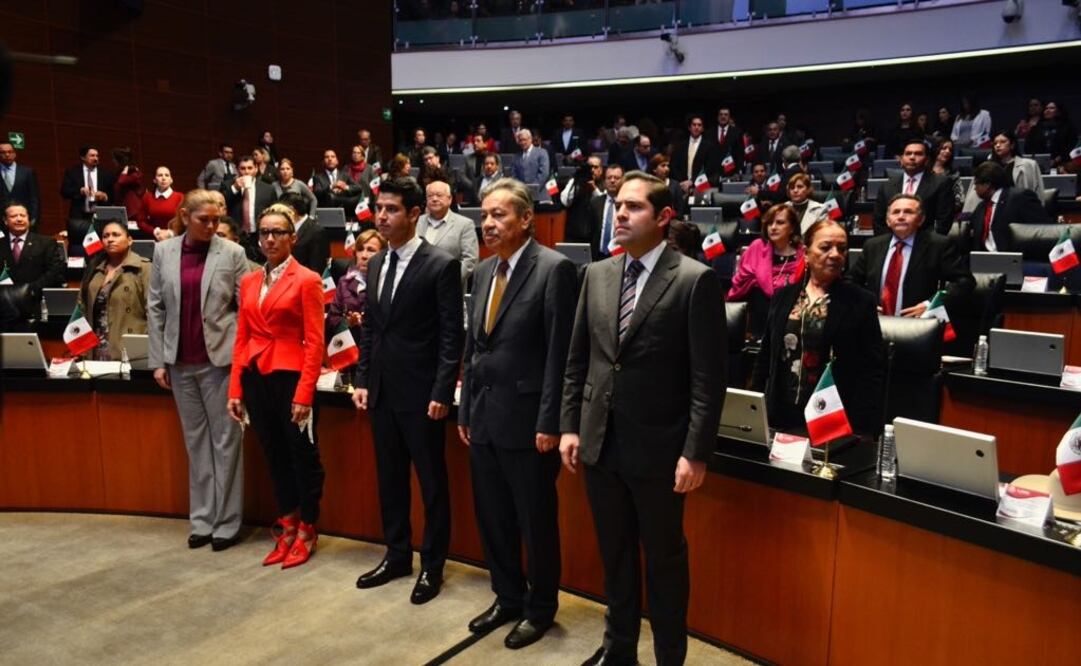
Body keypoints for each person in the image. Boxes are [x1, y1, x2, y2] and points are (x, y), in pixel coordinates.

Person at [559, 170, 726, 666]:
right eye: (619, 205)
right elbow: (578, 359)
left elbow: (707, 379)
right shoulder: (597, 274)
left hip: (659, 451)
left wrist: (695, 453)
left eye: (634, 207)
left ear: (664, 216)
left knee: (664, 563)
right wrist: (570, 424)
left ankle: (669, 657)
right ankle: (619, 649)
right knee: (615, 557)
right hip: (601, 442)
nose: (622, 214)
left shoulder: (694, 279)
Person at [458, 178, 577, 649]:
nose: (487, 223)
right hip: (484, 416)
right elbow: (475, 346)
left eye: (498, 214)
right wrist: (465, 408)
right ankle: (506, 596)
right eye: (484, 215)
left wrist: (552, 421)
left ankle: (540, 607)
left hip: (529, 422)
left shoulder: (554, 269)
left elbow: (560, 354)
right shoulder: (484, 270)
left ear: (526, 218)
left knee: (535, 521)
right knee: (493, 517)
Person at [352, 177, 464, 605]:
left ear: (414, 214)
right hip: (382, 390)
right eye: (379, 208)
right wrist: (363, 379)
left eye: (392, 209)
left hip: (422, 394)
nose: (381, 216)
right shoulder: (377, 262)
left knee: (432, 483)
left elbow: (451, 335)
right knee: (391, 479)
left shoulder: (440, 264)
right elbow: (372, 329)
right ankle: (397, 554)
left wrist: (442, 389)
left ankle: (432, 565)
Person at [147, 189, 250, 552]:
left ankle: (227, 523)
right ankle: (203, 520)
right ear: (185, 217)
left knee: (226, 443)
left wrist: (241, 359)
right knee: (196, 444)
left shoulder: (233, 253)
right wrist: (157, 360)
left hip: (220, 362)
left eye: (216, 220)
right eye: (203, 219)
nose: (211, 226)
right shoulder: (164, 251)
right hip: (179, 362)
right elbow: (155, 307)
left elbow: (246, 308)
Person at [226, 203, 326, 569]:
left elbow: (315, 342)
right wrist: (235, 389)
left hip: (291, 378)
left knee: (303, 458)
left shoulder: (307, 279)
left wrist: (305, 393)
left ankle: (308, 529)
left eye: (277, 232)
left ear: (292, 238)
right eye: (264, 232)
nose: (269, 238)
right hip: (257, 377)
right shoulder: (249, 281)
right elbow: (242, 337)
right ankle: (288, 524)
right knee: (274, 455)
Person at [751, 218, 884, 437]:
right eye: (825, 247)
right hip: (781, 413)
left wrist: (861, 428)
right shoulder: (783, 296)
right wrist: (755, 408)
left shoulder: (860, 301)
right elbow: (766, 356)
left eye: (842, 249)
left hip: (832, 417)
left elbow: (871, 369)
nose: (835, 254)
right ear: (806, 253)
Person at [848, 194, 974, 318]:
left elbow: (964, 282)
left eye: (908, 212)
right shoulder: (872, 246)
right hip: (877, 322)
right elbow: (850, 282)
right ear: (888, 221)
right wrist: (864, 302)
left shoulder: (939, 245)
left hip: (919, 323)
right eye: (896, 212)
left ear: (921, 219)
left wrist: (931, 305)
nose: (901, 217)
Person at [78, 219, 151, 360]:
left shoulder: (144, 268)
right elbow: (81, 308)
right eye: (105, 236)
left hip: (129, 348)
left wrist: (144, 346)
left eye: (116, 235)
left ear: (129, 240)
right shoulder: (94, 269)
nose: (110, 239)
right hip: (96, 348)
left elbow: (153, 313)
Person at [872, 139, 954, 236]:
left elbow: (944, 221)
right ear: (901, 159)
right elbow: (879, 222)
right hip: (893, 241)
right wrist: (893, 241)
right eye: (908, 153)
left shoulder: (941, 183)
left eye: (918, 154)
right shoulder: (887, 186)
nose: (912, 157)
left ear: (927, 160)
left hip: (927, 242)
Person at [727, 204, 806, 302]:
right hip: (758, 304)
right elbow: (740, 281)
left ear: (792, 228)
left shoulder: (804, 255)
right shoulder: (757, 248)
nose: (773, 227)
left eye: (780, 223)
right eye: (769, 223)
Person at [0, 202, 65, 315]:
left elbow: (54, 271)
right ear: (5, 221)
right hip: (5, 304)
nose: (19, 219)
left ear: (28, 219)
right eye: (14, 216)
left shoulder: (46, 242)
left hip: (36, 300)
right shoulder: (1, 244)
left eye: (23, 215)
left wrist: (30, 290)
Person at [970, 161, 1050, 252]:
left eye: (976, 183)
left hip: (1016, 257)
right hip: (984, 258)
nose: (974, 188)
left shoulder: (1020, 198)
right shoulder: (981, 207)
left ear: (987, 184)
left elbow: (1044, 231)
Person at [327, 229, 384, 356]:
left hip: (378, 352)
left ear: (384, 255)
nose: (364, 255)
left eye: (371, 250)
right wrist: (347, 322)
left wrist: (365, 321)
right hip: (349, 350)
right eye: (360, 249)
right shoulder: (345, 282)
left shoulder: (389, 283)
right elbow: (332, 319)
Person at [962, 129, 1044, 214]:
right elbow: (974, 195)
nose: (998, 145)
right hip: (992, 211)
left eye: (1002, 142)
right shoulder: (986, 168)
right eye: (995, 143)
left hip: (1019, 211)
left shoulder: (1028, 165)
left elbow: (1038, 193)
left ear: (1012, 145)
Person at [417, 180, 478, 287]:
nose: (434, 199)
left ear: (449, 199)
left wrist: (448, 282)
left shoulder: (464, 224)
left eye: (439, 195)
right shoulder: (417, 222)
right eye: (430, 196)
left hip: (449, 288)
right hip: (418, 287)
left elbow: (470, 261)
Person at [60, 145, 116, 256]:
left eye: (97, 156)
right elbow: (64, 192)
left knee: (99, 250)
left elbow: (114, 196)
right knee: (79, 250)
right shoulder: (72, 172)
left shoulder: (106, 174)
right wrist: (79, 191)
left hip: (99, 217)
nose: (95, 158)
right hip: (79, 218)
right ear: (83, 157)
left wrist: (104, 196)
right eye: (92, 156)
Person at [223, 155, 277, 248]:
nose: (246, 172)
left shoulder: (268, 189)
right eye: (243, 168)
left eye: (250, 168)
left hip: (259, 234)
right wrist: (235, 188)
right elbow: (221, 204)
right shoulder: (228, 185)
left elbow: (273, 212)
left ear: (256, 169)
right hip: (235, 234)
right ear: (237, 169)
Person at [278, 191, 329, 275]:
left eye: (281, 211)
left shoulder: (316, 231)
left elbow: (316, 268)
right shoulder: (286, 228)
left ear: (291, 210)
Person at [669, 114, 717, 193]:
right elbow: (674, 167)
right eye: (694, 125)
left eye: (699, 125)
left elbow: (709, 170)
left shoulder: (709, 147)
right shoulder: (680, 146)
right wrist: (682, 183)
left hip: (700, 187)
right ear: (689, 127)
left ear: (702, 128)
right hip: (681, 186)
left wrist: (692, 182)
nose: (696, 127)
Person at [1026, 100, 1078, 169]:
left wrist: (1056, 160)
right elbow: (1029, 146)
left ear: (1059, 111)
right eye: (1046, 108)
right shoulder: (1038, 127)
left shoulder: (1068, 126)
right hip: (1040, 165)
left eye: (1051, 108)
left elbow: (1071, 146)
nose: (1048, 110)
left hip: (1063, 163)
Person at [589, 163, 624, 260]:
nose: (612, 180)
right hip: (597, 256)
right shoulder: (595, 202)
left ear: (623, 181)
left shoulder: (627, 204)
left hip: (619, 256)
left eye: (616, 178)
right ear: (604, 181)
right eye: (609, 178)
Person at [0, 142, 40, 226]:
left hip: (22, 218)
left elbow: (34, 197)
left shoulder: (27, 172)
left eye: (10, 152)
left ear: (15, 154)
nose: (7, 155)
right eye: (3, 152)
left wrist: (34, 218)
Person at [141, 166, 183, 239]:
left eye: (167, 175)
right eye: (160, 175)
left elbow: (185, 221)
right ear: (154, 180)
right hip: (153, 238)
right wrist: (155, 231)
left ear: (171, 180)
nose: (163, 178)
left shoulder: (180, 197)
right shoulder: (147, 197)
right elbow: (141, 221)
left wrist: (171, 233)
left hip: (175, 238)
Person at [112, 147, 147, 231]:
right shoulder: (120, 173)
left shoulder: (134, 173)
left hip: (134, 212)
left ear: (120, 161)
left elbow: (121, 181)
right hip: (123, 211)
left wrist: (125, 170)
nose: (113, 161)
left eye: (114, 159)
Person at [930, 138, 965, 215]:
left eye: (950, 150)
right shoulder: (925, 171)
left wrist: (948, 209)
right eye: (944, 148)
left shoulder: (953, 174)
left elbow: (960, 199)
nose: (947, 151)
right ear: (936, 149)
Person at [649, 154, 687, 219]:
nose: (667, 169)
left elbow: (680, 210)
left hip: (672, 221)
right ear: (654, 169)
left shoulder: (675, 185)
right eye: (663, 166)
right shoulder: (648, 185)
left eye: (668, 166)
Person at [713, 106, 743, 174]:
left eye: (726, 115)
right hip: (713, 173)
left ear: (729, 117)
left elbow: (740, 155)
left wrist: (737, 172)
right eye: (721, 114)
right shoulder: (709, 133)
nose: (723, 116)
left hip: (731, 172)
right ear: (717, 117)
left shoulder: (737, 133)